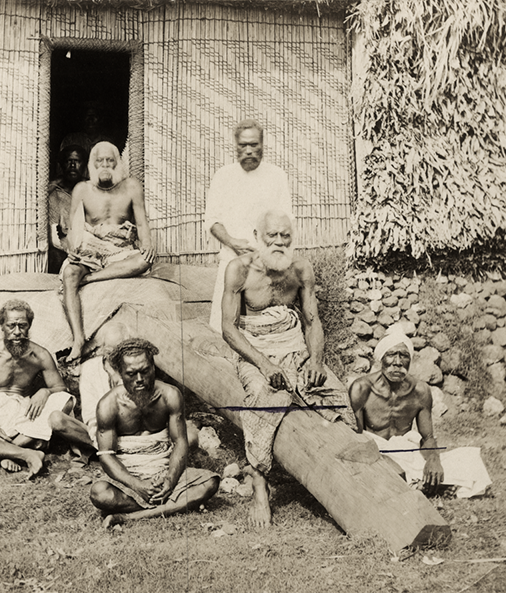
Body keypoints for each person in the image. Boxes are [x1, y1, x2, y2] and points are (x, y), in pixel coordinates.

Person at [221, 210, 355, 527]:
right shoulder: (238, 270)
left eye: (286, 236)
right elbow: (228, 328)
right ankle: (259, 488)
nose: (280, 242)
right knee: (260, 399)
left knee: (334, 394)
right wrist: (264, 364)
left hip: (295, 348)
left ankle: (350, 464)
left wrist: (317, 360)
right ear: (257, 236)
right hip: (257, 353)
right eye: (273, 236)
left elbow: (312, 321)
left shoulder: (300, 269)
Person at [0, 299, 94, 479]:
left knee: (64, 401)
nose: (17, 332)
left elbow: (60, 388)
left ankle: (5, 451)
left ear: (29, 326)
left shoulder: (40, 355)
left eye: (22, 326)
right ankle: (26, 452)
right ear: (1, 325)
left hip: (25, 414)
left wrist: (45, 392)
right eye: (11, 326)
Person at [89, 338, 219, 527]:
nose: (140, 379)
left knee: (210, 482)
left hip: (164, 470)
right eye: (131, 374)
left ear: (154, 367)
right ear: (120, 374)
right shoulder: (108, 404)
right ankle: (175, 506)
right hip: (130, 476)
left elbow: (180, 442)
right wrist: (136, 485)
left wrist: (170, 480)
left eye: (145, 371)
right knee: (99, 493)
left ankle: (131, 517)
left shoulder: (170, 395)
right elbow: (106, 456)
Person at [349, 329, 492, 498]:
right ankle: (423, 485)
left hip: (407, 453)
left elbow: (427, 437)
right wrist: (382, 461)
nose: (397, 362)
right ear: (381, 358)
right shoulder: (361, 388)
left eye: (403, 356)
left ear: (410, 360)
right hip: (376, 453)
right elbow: (356, 439)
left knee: (469, 462)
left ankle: (417, 483)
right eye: (391, 355)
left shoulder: (420, 390)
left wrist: (433, 460)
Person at [62, 141, 156, 362]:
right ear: (92, 165)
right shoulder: (82, 189)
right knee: (69, 274)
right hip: (90, 250)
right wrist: (70, 250)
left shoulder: (132, 186)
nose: (105, 165)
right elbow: (71, 229)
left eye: (110, 160)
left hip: (119, 250)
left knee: (144, 260)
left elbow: (141, 223)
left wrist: (148, 242)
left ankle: (92, 279)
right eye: (100, 161)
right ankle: (78, 339)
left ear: (117, 163)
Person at [205, 119, 292, 333]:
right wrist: (232, 242)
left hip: (267, 261)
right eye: (243, 145)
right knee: (224, 327)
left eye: (254, 145)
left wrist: (269, 251)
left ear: (263, 145)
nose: (249, 150)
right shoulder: (223, 176)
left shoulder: (277, 176)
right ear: (235, 147)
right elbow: (212, 221)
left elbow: (286, 220)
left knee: (268, 326)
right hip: (231, 259)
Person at [47, 145, 88, 273]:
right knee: (55, 257)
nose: (72, 165)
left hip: (89, 243)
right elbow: (54, 237)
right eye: (68, 161)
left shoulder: (91, 190)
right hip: (63, 246)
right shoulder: (54, 193)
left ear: (85, 165)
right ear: (61, 165)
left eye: (77, 161)